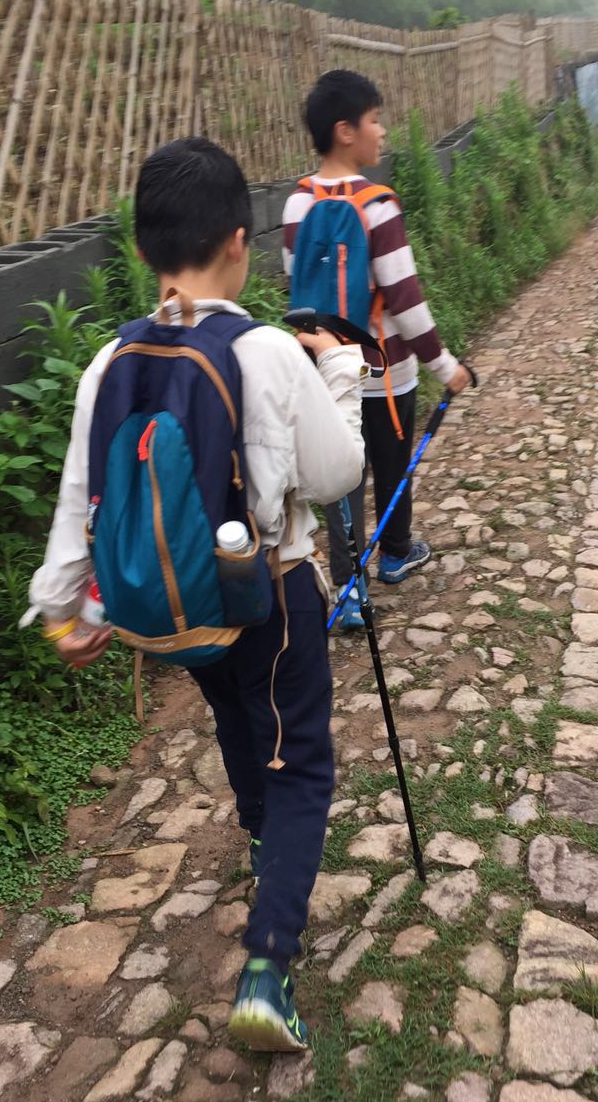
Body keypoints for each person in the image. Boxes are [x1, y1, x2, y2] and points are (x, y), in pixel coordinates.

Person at [29, 137, 366, 1052]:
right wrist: (341, 371)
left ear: (143, 250)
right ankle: (267, 968)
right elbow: (336, 475)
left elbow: (80, 499)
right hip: (273, 593)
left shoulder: (108, 362)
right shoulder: (266, 351)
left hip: (176, 615)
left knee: (235, 718)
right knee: (300, 760)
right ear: (238, 240)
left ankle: (262, 846)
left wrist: (66, 613)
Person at [283, 69, 471, 629]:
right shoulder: (379, 205)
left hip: (326, 369)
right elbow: (405, 300)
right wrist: (445, 365)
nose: (382, 130)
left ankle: (349, 592)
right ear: (346, 131)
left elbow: (297, 286)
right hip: (386, 371)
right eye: (374, 119)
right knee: (392, 464)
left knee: (341, 480)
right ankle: (395, 552)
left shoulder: (296, 203)